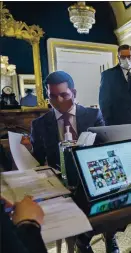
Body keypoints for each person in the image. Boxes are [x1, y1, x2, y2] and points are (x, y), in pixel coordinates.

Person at [29, 71, 119, 253]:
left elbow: (104, 148)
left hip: (93, 173)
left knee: (116, 195)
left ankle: (105, 236)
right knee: (79, 199)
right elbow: (37, 161)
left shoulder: (93, 115)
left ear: (74, 93)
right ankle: (84, 239)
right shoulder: (39, 124)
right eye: (52, 96)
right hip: (62, 181)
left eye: (64, 95)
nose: (59, 101)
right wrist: (25, 151)